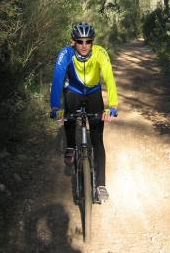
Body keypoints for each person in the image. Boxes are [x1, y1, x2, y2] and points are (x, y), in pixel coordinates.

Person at [49, 22, 118, 202]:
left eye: (88, 41)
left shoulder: (100, 53)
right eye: (80, 41)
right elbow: (57, 79)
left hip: (94, 92)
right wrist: (55, 108)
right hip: (74, 91)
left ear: (93, 42)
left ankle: (101, 185)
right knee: (69, 115)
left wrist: (112, 106)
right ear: (73, 41)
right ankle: (71, 146)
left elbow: (109, 78)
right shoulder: (66, 53)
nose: (84, 45)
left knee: (97, 140)